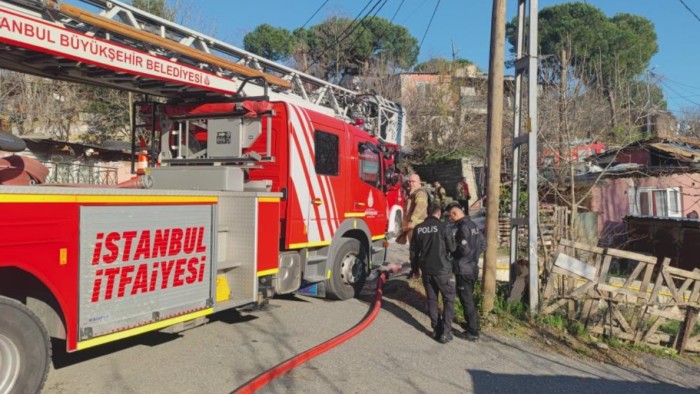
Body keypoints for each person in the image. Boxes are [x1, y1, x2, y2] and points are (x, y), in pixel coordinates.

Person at [410, 203, 457, 344]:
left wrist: (415, 269)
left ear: (427, 213)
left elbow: (413, 252)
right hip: (443, 271)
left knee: (432, 299)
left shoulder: (418, 229)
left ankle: (436, 329)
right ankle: (446, 332)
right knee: (449, 299)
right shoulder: (444, 227)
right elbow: (452, 247)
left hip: (427, 271)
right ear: (438, 214)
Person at [447, 203, 486, 341]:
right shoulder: (474, 225)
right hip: (473, 268)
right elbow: (483, 244)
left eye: (449, 216)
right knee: (469, 298)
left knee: (466, 299)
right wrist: (474, 256)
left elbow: (463, 250)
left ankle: (472, 332)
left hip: (464, 269)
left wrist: (452, 255)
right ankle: (474, 324)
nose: (449, 219)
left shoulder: (462, 228)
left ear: (455, 214)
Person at [396, 173, 429, 244]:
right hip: (412, 227)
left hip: (417, 227)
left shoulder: (420, 193)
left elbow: (420, 207)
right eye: (409, 181)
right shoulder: (412, 193)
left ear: (419, 182)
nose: (410, 183)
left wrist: (412, 221)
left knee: (416, 250)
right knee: (413, 249)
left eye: (413, 181)